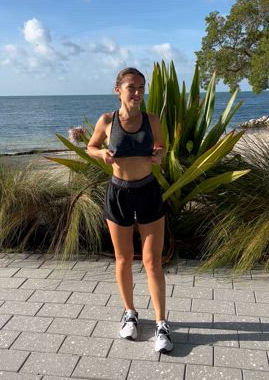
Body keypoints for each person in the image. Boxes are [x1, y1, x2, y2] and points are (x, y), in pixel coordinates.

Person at [87, 67, 174, 353]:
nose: (137, 92)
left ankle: (161, 324)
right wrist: (101, 154)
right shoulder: (107, 120)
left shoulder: (152, 119)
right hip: (118, 194)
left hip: (148, 192)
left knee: (153, 262)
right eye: (131, 87)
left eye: (141, 87)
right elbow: (91, 146)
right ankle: (130, 314)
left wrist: (160, 153)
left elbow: (160, 145)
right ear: (118, 90)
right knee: (123, 259)